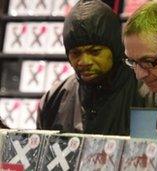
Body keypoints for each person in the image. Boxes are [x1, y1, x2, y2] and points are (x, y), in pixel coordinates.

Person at [36, 0, 142, 135]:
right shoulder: (54, 99)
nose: (84, 61)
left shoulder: (145, 91)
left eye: (95, 52)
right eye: (75, 53)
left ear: (115, 48)